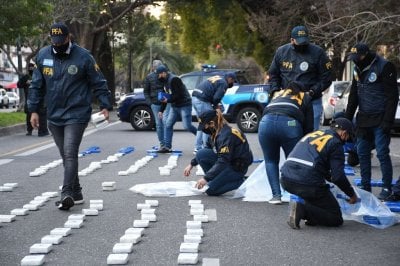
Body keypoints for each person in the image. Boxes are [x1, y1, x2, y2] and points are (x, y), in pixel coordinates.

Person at [28, 22, 112, 210]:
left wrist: (105, 105)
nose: (57, 45)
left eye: (61, 41)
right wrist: (33, 110)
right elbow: (36, 86)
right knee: (65, 156)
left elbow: (98, 82)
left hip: (77, 112)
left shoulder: (84, 57)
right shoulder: (43, 56)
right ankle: (77, 192)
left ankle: (66, 193)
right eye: (54, 41)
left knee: (70, 152)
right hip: (54, 114)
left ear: (68, 38)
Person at [280, 118, 358, 229]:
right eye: (348, 136)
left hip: (286, 178)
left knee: (319, 197)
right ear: (344, 133)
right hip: (307, 182)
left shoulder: (313, 134)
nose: (347, 139)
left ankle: (311, 215)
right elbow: (338, 177)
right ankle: (303, 210)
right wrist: (351, 194)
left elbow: (317, 164)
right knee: (335, 217)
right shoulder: (336, 143)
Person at [345, 43, 399, 200]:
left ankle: (387, 187)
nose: (355, 61)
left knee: (382, 153)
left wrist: (387, 122)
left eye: (358, 57)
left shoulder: (384, 66)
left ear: (366, 54)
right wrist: (346, 120)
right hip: (363, 119)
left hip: (380, 118)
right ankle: (365, 186)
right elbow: (354, 96)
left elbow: (392, 97)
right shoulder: (357, 69)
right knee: (361, 153)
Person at [258, 81, 314, 204]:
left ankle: (276, 195)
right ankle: (293, 194)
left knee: (270, 161)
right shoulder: (305, 96)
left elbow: (267, 110)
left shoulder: (277, 93)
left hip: (265, 123)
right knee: (293, 160)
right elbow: (309, 126)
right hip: (290, 124)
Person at [268, 25, 332, 130]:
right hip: (289, 101)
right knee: (290, 132)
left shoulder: (318, 53)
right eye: (300, 42)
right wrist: (275, 91)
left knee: (311, 136)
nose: (303, 44)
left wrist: (312, 92)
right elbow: (273, 74)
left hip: (312, 101)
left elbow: (326, 78)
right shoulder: (281, 52)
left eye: (305, 41)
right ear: (292, 40)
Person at [183, 109, 253, 196]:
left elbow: (223, 160)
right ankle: (215, 180)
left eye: (205, 125)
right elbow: (207, 150)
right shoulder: (215, 132)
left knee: (210, 190)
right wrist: (191, 164)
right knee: (201, 154)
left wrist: (206, 178)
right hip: (228, 162)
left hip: (236, 168)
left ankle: (241, 181)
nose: (204, 128)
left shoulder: (226, 135)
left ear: (212, 123)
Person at [156, 65, 197, 153]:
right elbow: (165, 96)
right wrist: (161, 110)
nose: (158, 77)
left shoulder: (174, 79)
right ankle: (167, 147)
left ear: (164, 73)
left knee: (187, 126)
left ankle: (202, 138)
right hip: (175, 106)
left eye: (159, 75)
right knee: (168, 124)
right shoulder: (165, 82)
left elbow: (178, 95)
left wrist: (169, 100)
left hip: (184, 105)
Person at [192, 72, 236, 153]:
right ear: (230, 79)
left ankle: (198, 147)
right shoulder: (224, 84)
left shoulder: (218, 78)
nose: (232, 83)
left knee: (202, 123)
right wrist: (216, 107)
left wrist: (216, 105)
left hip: (195, 98)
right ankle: (205, 147)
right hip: (202, 100)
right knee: (208, 124)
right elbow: (216, 98)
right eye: (233, 81)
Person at [143, 59, 170, 149]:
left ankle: (167, 143)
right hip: (155, 104)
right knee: (159, 124)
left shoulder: (165, 76)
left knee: (166, 123)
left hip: (165, 103)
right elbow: (146, 91)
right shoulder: (149, 77)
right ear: (154, 67)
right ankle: (162, 144)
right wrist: (150, 103)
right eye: (156, 67)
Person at [17, 63, 49, 137]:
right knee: (29, 114)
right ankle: (29, 130)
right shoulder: (26, 77)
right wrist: (26, 82)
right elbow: (19, 85)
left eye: (32, 67)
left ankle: (43, 130)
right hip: (29, 99)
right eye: (30, 67)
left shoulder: (40, 76)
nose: (31, 69)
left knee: (42, 114)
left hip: (41, 98)